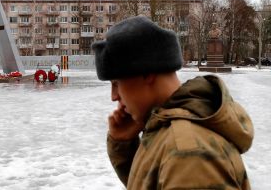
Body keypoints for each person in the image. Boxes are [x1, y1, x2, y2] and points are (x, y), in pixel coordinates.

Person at [91, 16, 254, 189]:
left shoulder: (188, 153)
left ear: (147, 73)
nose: (114, 96)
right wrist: (123, 146)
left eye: (116, 83)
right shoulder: (169, 132)